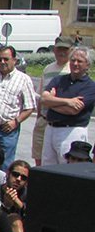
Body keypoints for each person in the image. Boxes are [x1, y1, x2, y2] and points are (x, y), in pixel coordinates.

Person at [0, 46, 36, 170]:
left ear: (14, 60)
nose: (2, 62)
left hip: (7, 132)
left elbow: (30, 107)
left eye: (6, 59)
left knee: (4, 165)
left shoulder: (23, 80)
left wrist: (16, 122)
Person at [40, 47, 95, 165]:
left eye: (79, 61)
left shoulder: (90, 86)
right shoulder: (59, 80)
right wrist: (68, 101)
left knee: (66, 167)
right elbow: (43, 99)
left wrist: (52, 102)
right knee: (47, 167)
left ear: (87, 65)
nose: (75, 64)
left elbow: (73, 110)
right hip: (50, 129)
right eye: (73, 60)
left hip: (71, 131)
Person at [31, 36, 72, 165]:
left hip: (61, 124)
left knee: (60, 162)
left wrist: (51, 100)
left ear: (71, 50)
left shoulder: (72, 70)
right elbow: (40, 96)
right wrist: (39, 117)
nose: (62, 52)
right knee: (38, 157)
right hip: (43, 120)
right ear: (54, 50)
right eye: (59, 49)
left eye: (65, 49)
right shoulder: (48, 69)